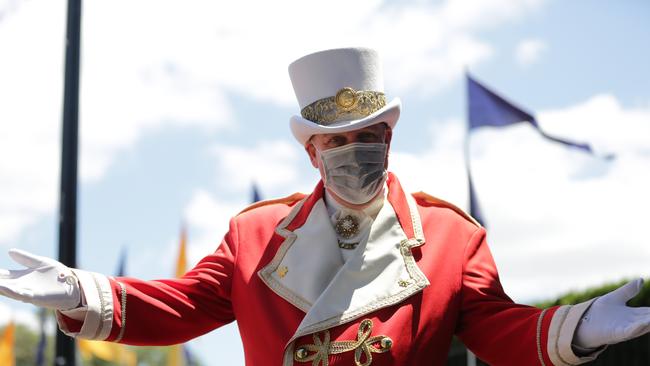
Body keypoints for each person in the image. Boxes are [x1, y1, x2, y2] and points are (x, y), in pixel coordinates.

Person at [1, 47, 649, 366]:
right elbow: (182, 307)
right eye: (337, 141)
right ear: (311, 152)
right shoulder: (254, 235)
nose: (354, 152)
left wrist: (576, 326)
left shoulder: (452, 236)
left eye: (368, 137)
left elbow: (497, 329)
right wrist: (81, 292)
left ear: (390, 138)